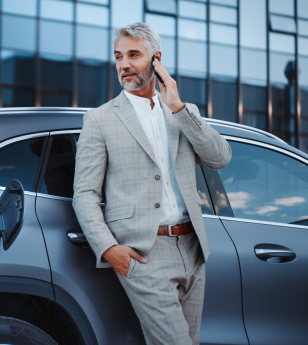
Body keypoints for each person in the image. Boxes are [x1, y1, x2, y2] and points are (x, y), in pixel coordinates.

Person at [72, 22, 231, 345]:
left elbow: (220, 157)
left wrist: (179, 108)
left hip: (193, 247)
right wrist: (109, 249)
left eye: (133, 55)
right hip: (144, 251)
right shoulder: (100, 119)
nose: (124, 65)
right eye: (118, 57)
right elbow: (85, 194)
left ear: (156, 59)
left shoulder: (184, 112)